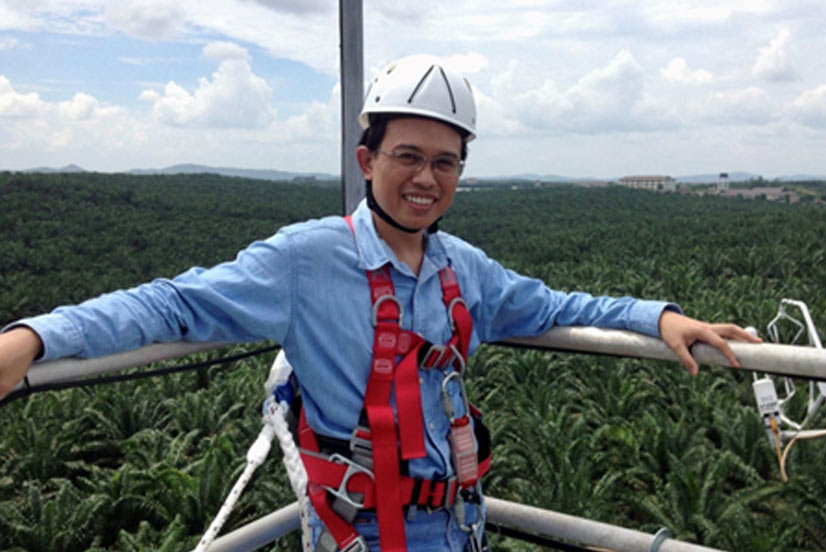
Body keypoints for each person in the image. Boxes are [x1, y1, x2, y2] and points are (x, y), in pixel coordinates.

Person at [0, 55, 760, 552]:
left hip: (462, 526)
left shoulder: (466, 270)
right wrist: (32, 338)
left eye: (445, 163)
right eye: (407, 157)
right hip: (361, 534)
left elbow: (558, 302)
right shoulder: (305, 260)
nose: (426, 178)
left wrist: (661, 319)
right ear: (367, 160)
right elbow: (172, 305)